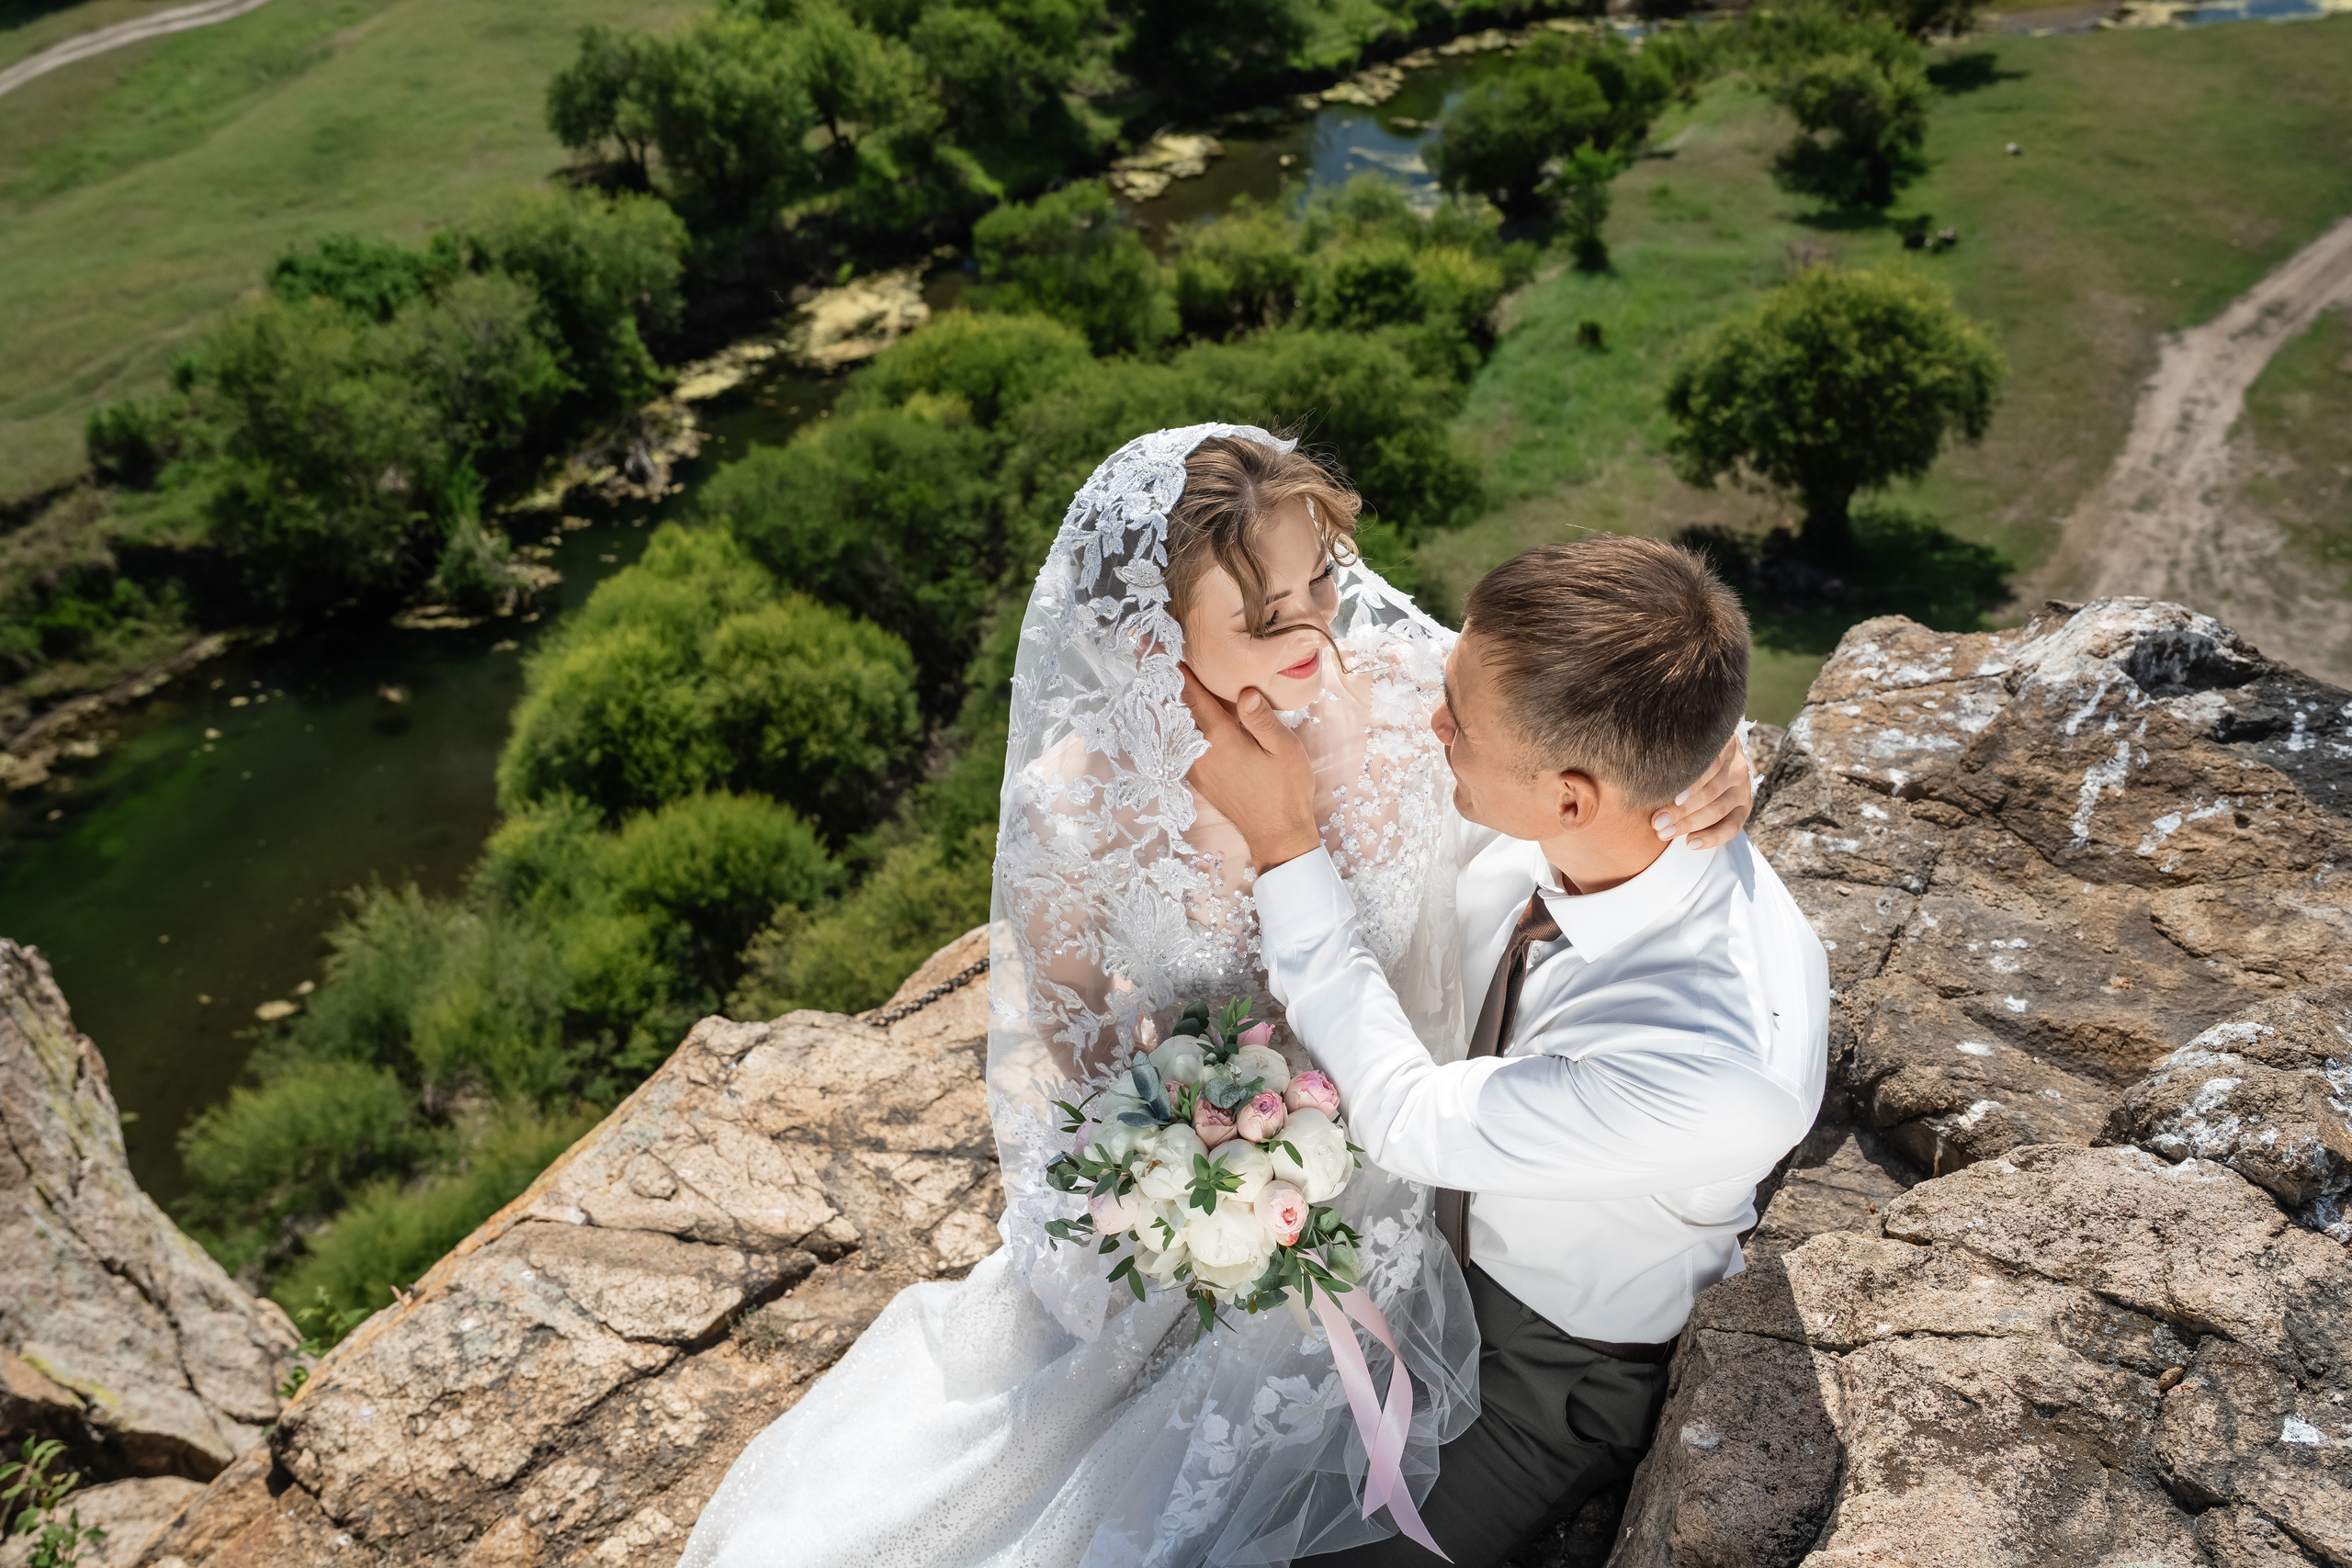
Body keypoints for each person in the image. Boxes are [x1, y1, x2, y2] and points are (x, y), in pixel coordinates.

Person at [677, 426, 1755, 1568]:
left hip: (1444, 1161)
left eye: (1321, 583)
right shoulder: (1075, 809)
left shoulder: (1403, 688)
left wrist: (1708, 755)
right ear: (1150, 633)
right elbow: (1093, 1071)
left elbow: (1595, 708)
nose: (1315, 633)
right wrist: (1194, 1186)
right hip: (1246, 1216)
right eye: (1262, 616)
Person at [1180, 536, 1829, 1567]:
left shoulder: (1717, 1069)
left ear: (1570, 798)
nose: (1429, 724)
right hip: (1401, 1248)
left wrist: (1285, 848)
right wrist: (1718, 738)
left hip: (1536, 1373)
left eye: (1456, 720)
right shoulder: (1596, 802)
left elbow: (1406, 1119)